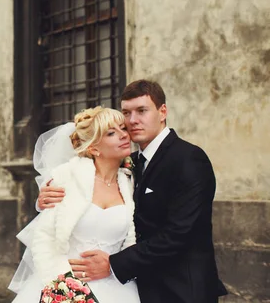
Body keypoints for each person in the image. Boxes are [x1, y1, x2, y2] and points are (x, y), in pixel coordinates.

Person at [38, 80, 227, 303]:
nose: (132, 121)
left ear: (162, 111)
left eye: (142, 111)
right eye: (126, 113)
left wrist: (114, 264)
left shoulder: (189, 159)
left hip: (181, 289)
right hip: (139, 288)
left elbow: (179, 233)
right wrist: (43, 199)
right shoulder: (129, 166)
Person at [9, 106, 141, 303]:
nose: (124, 135)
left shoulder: (131, 182)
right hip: (65, 287)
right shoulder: (67, 177)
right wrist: (63, 289)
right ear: (94, 148)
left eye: (123, 128)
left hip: (119, 288)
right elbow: (43, 237)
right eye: (112, 133)